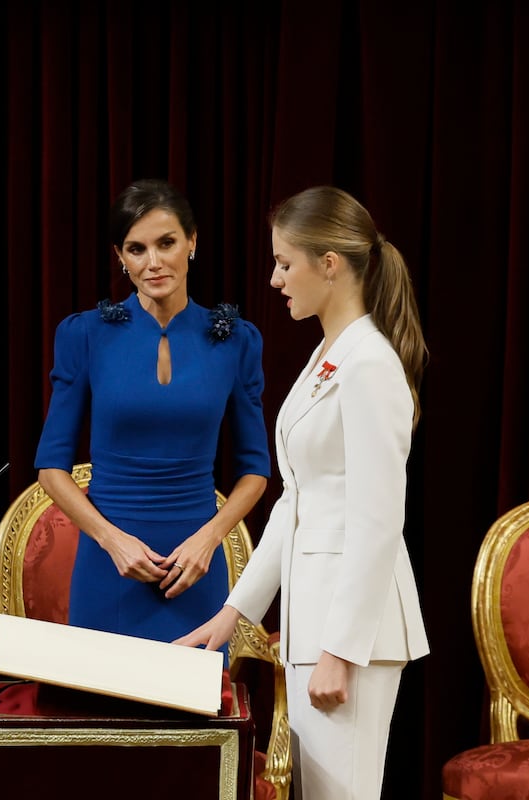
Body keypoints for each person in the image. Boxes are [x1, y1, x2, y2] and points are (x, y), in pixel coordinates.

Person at [177, 186, 430, 799]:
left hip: (351, 635)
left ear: (330, 264)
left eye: (285, 263)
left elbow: (377, 521)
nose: (274, 279)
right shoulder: (329, 355)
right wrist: (233, 613)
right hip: (314, 622)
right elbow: (296, 503)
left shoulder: (370, 363)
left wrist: (339, 650)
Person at [34, 179, 270, 643]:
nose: (154, 262)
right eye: (136, 249)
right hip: (109, 568)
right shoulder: (85, 335)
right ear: (120, 257)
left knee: (196, 713)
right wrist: (111, 540)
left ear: (192, 242)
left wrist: (210, 539)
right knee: (103, 714)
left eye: (167, 243)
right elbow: (50, 467)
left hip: (195, 571)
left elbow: (256, 470)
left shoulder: (236, 340)